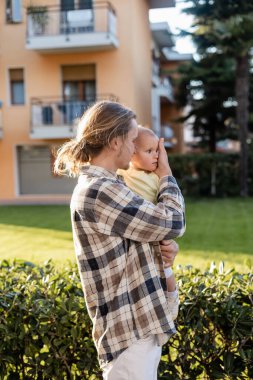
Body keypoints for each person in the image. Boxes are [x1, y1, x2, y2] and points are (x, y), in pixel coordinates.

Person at [54, 100, 185, 380]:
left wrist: (160, 249)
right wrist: (166, 174)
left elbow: (148, 234)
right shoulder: (101, 191)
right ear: (115, 142)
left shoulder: (112, 186)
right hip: (128, 334)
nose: (135, 146)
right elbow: (173, 221)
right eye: (132, 138)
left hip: (136, 329)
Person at [117, 125, 176, 292]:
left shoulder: (158, 176)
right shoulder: (124, 172)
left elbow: (170, 202)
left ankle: (172, 302)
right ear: (132, 152)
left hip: (156, 231)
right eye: (149, 151)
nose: (156, 155)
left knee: (166, 272)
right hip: (134, 231)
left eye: (157, 150)